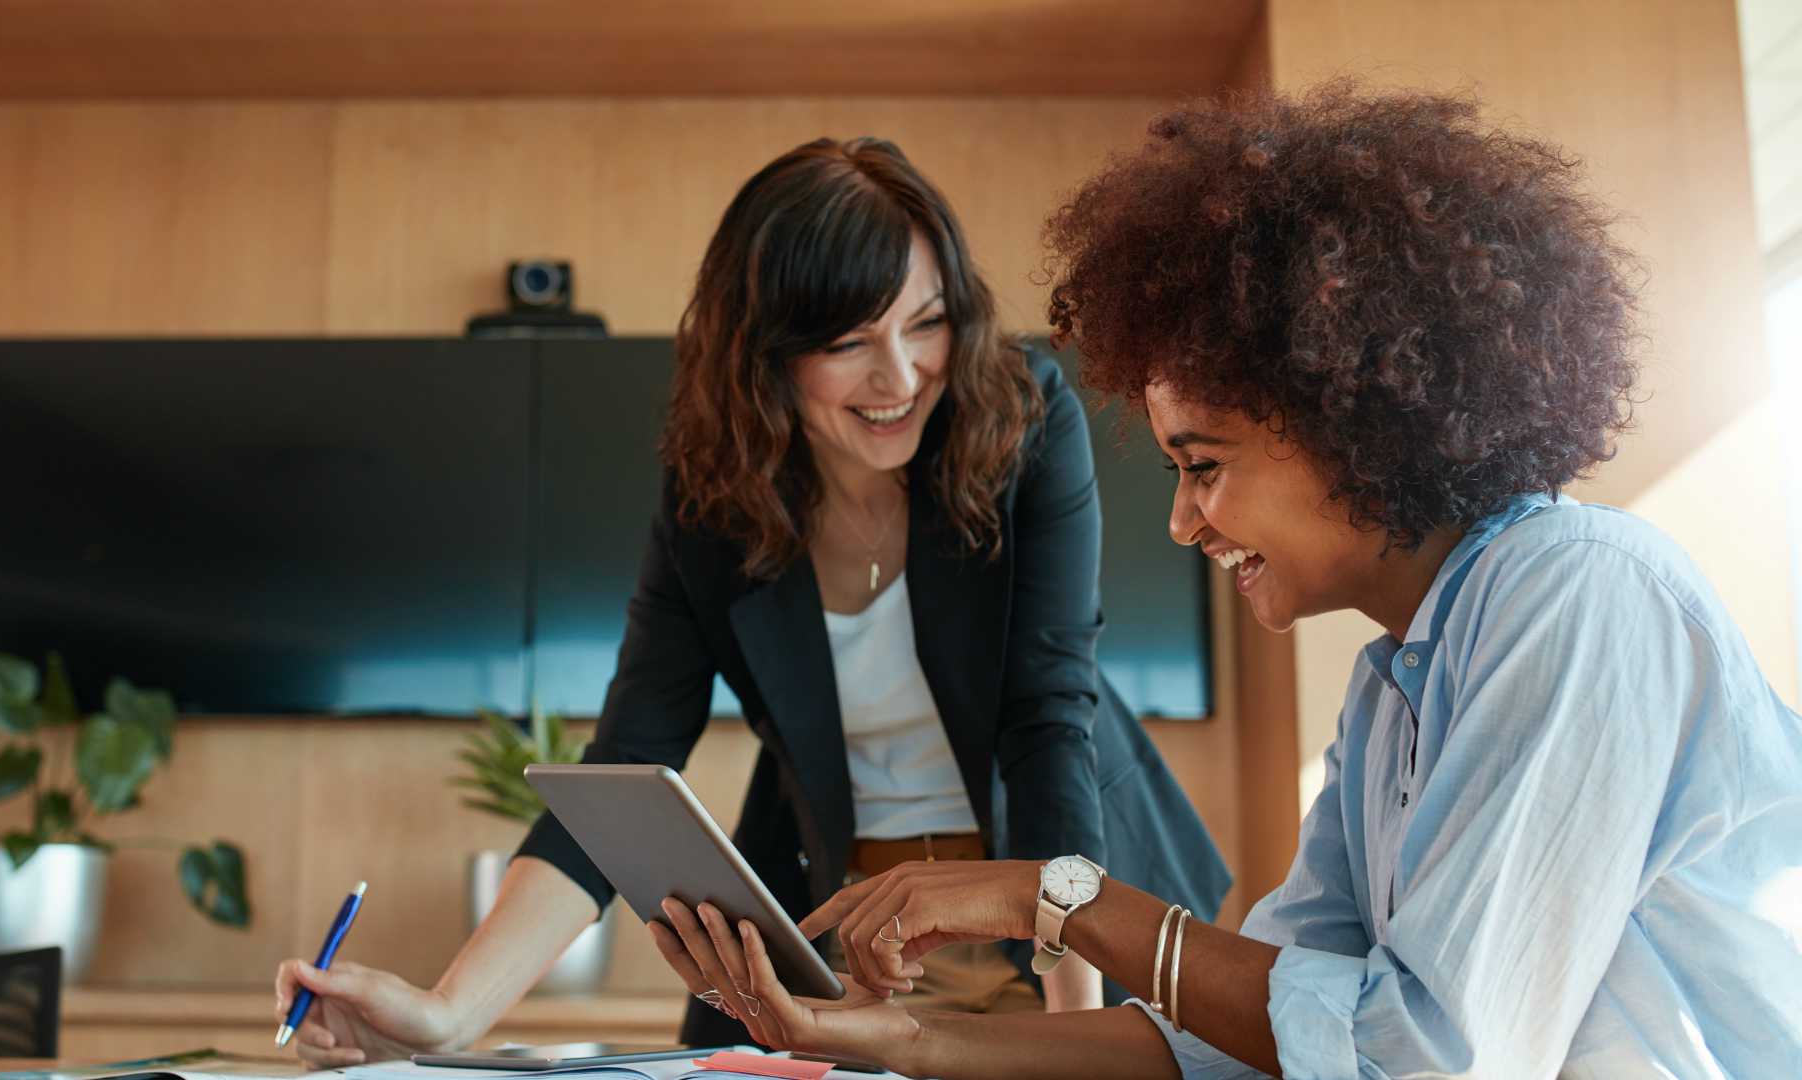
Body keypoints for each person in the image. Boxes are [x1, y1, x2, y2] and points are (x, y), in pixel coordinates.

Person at [650, 84, 1802, 1078]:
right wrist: (896, 1041)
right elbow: (1251, 1042)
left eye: (1203, 466)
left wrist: (1053, 896)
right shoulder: (1391, 690)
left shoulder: (1577, 594)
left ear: (1349, 417)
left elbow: (1420, 1057)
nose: (1184, 517)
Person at [273, 136, 1229, 1065]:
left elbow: (1045, 716)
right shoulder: (715, 498)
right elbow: (627, 765)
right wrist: (445, 1016)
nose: (900, 377)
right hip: (851, 941)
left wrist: (1077, 1034)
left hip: (1059, 915)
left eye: (926, 322)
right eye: (850, 342)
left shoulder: (1023, 418)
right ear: (765, 353)